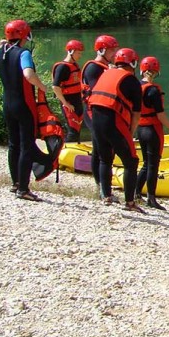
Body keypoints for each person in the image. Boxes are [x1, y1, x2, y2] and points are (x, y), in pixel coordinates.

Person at [0, 19, 50, 201]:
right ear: (25, 35)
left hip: (7, 103)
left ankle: (16, 183)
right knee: (26, 145)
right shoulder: (23, 53)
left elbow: (0, 51)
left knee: (13, 144)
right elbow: (28, 73)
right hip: (24, 104)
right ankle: (24, 189)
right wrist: (42, 86)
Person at [88, 48, 144, 213]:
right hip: (113, 122)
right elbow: (136, 114)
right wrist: (131, 132)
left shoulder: (105, 73)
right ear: (133, 63)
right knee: (131, 161)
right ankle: (130, 203)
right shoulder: (132, 81)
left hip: (96, 121)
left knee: (105, 158)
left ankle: (106, 196)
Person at [135, 56, 169, 211]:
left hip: (140, 129)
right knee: (153, 165)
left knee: (146, 164)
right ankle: (151, 198)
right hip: (152, 130)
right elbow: (160, 115)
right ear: (156, 71)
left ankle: (136, 193)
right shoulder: (153, 90)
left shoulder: (136, 86)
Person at [82, 34, 119, 194]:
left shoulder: (105, 67)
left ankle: (101, 185)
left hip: (99, 112)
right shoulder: (93, 68)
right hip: (93, 113)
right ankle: (101, 186)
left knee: (99, 149)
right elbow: (98, 90)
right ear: (102, 50)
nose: (114, 53)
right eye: (112, 50)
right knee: (100, 149)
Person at [51, 39, 84, 142]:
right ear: (70, 51)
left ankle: (75, 151)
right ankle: (65, 152)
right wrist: (65, 103)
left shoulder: (74, 66)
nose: (80, 55)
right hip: (69, 103)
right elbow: (55, 87)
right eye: (78, 53)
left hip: (77, 102)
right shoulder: (62, 67)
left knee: (77, 129)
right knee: (72, 131)